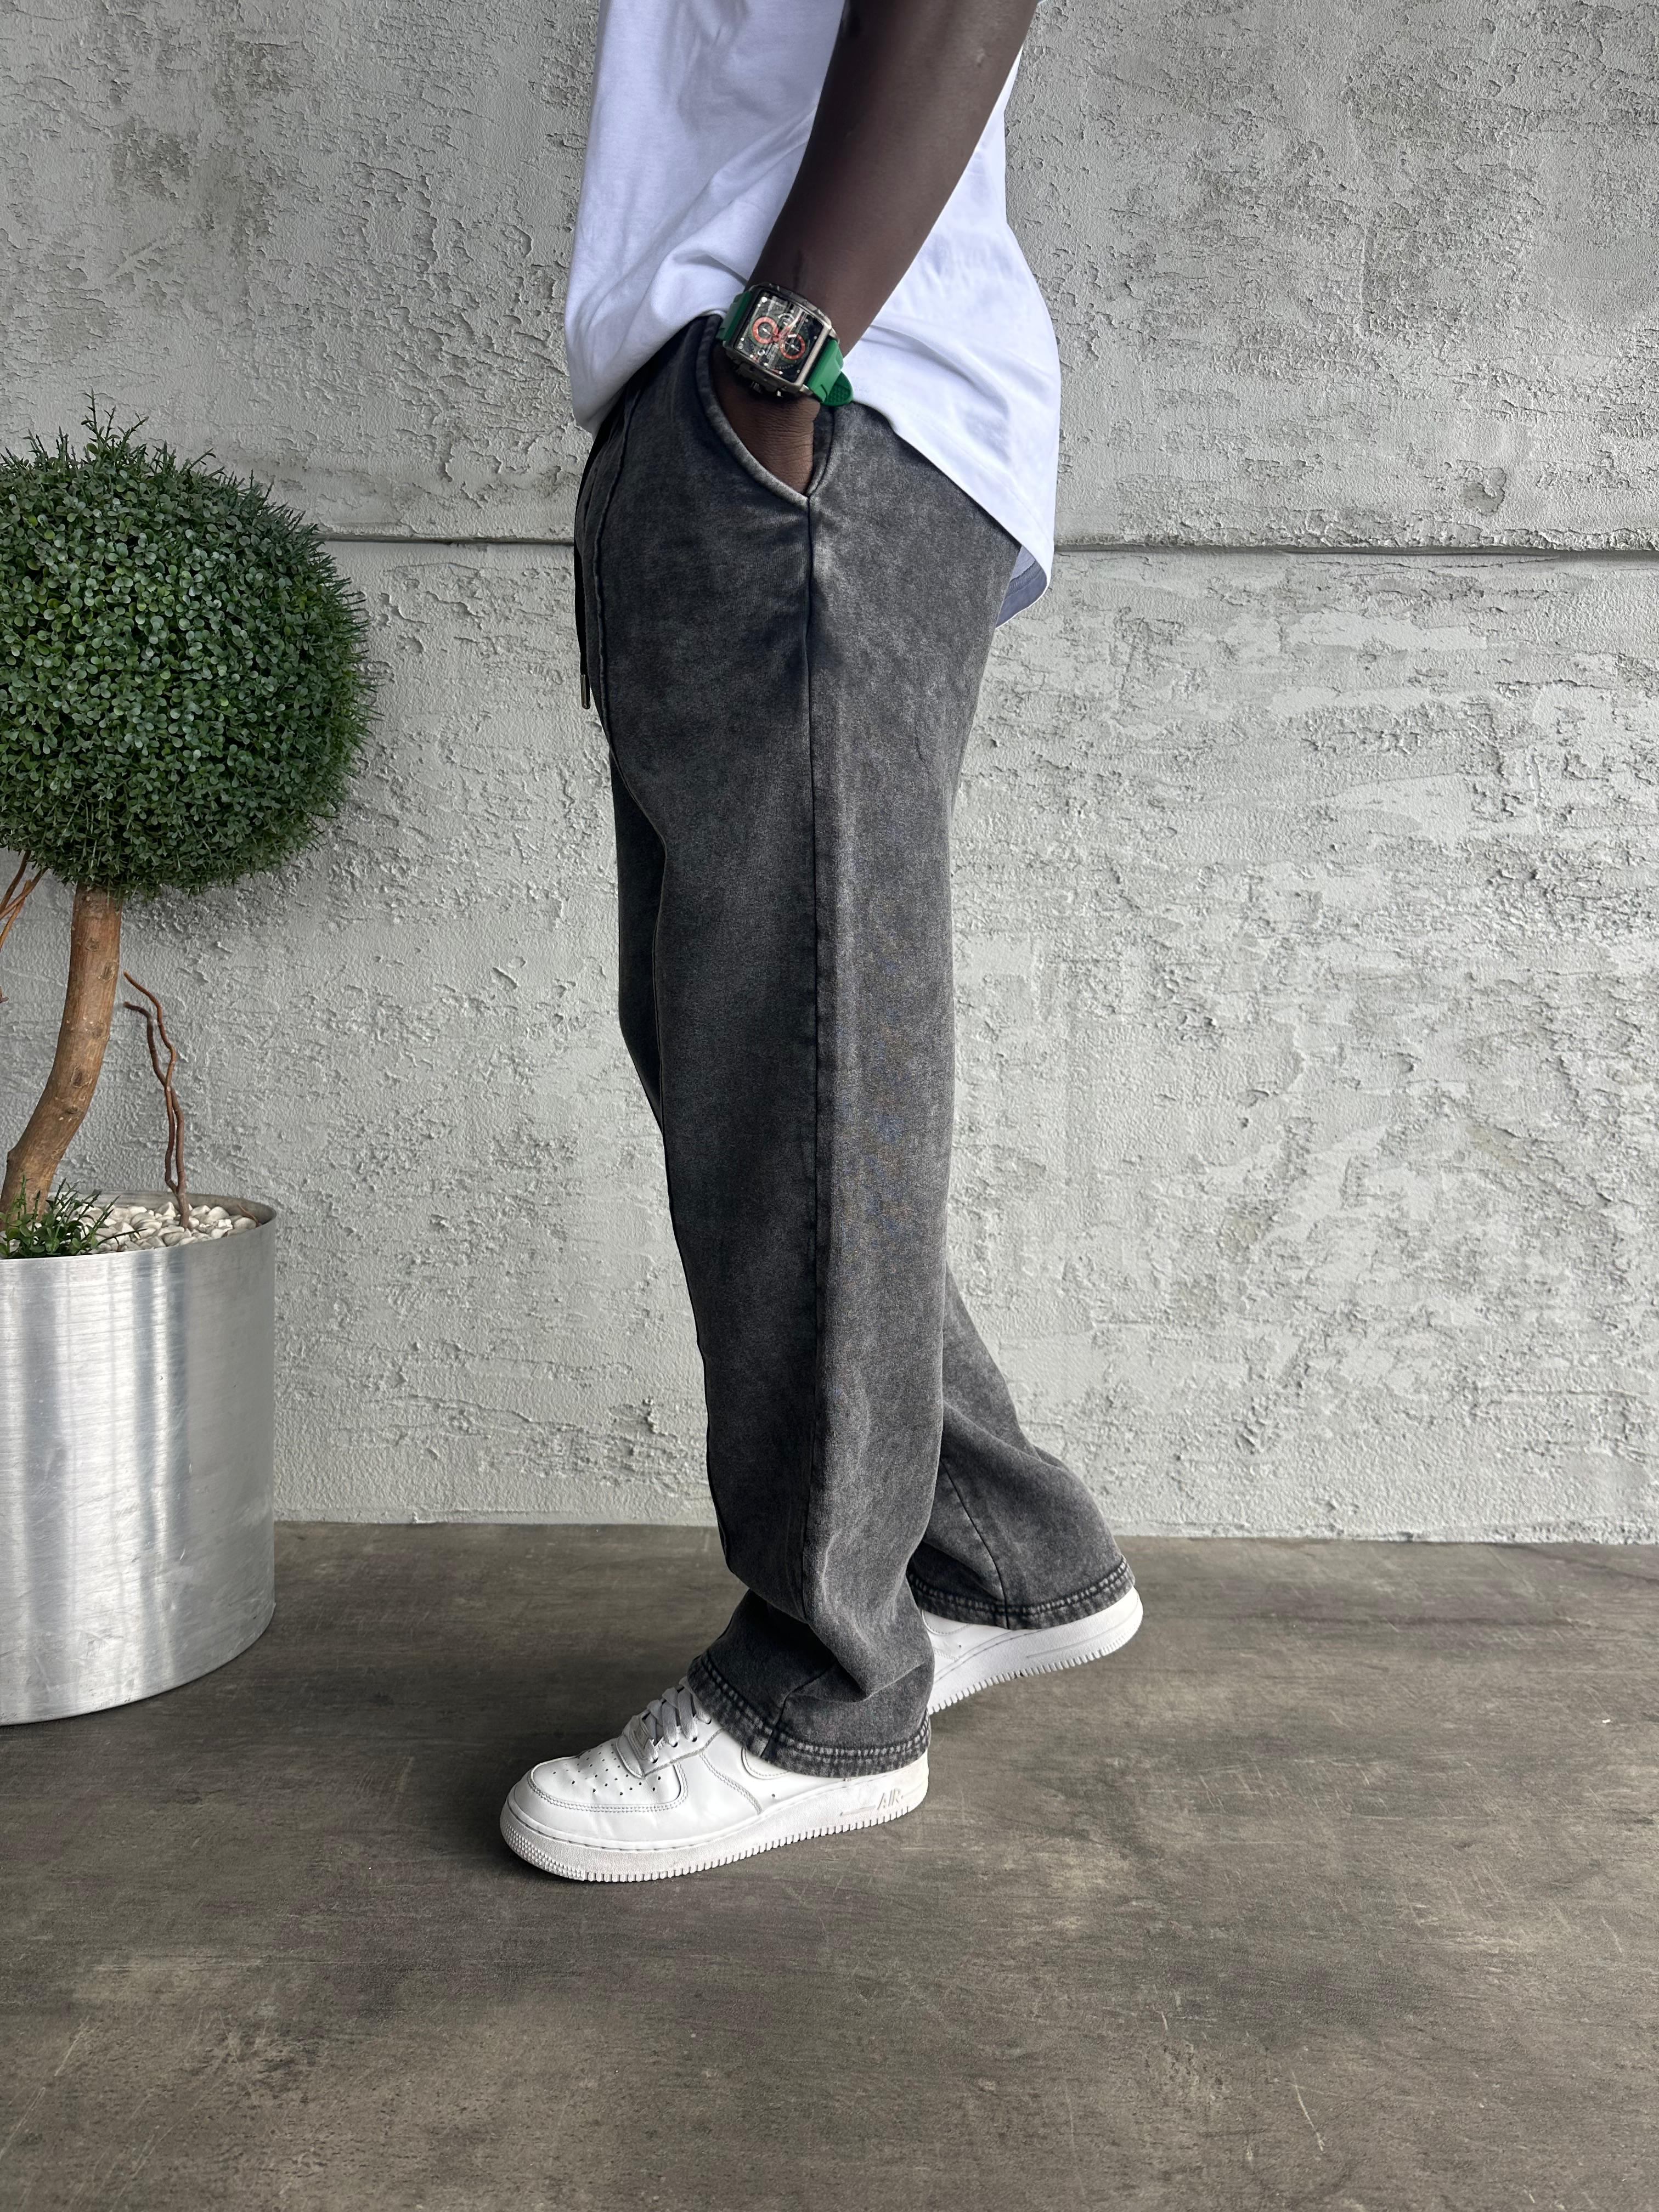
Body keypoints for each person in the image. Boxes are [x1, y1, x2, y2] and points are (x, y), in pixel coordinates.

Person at [500, 0, 1140, 1883]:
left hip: (815, 404)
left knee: (795, 1048)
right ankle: (994, 1554)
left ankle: (826, 1689)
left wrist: (781, 354)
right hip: (744, 416)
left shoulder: (795, 376)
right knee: (749, 1052)